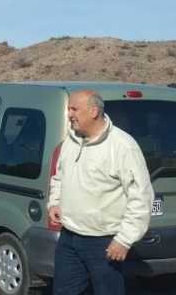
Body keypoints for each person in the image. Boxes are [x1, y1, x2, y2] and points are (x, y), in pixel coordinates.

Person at [47, 90, 153, 295]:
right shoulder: (71, 141)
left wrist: (124, 240)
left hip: (103, 242)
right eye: (68, 109)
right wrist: (55, 202)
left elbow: (141, 197)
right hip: (69, 238)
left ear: (94, 111)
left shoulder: (122, 146)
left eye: (74, 109)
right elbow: (59, 176)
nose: (69, 114)